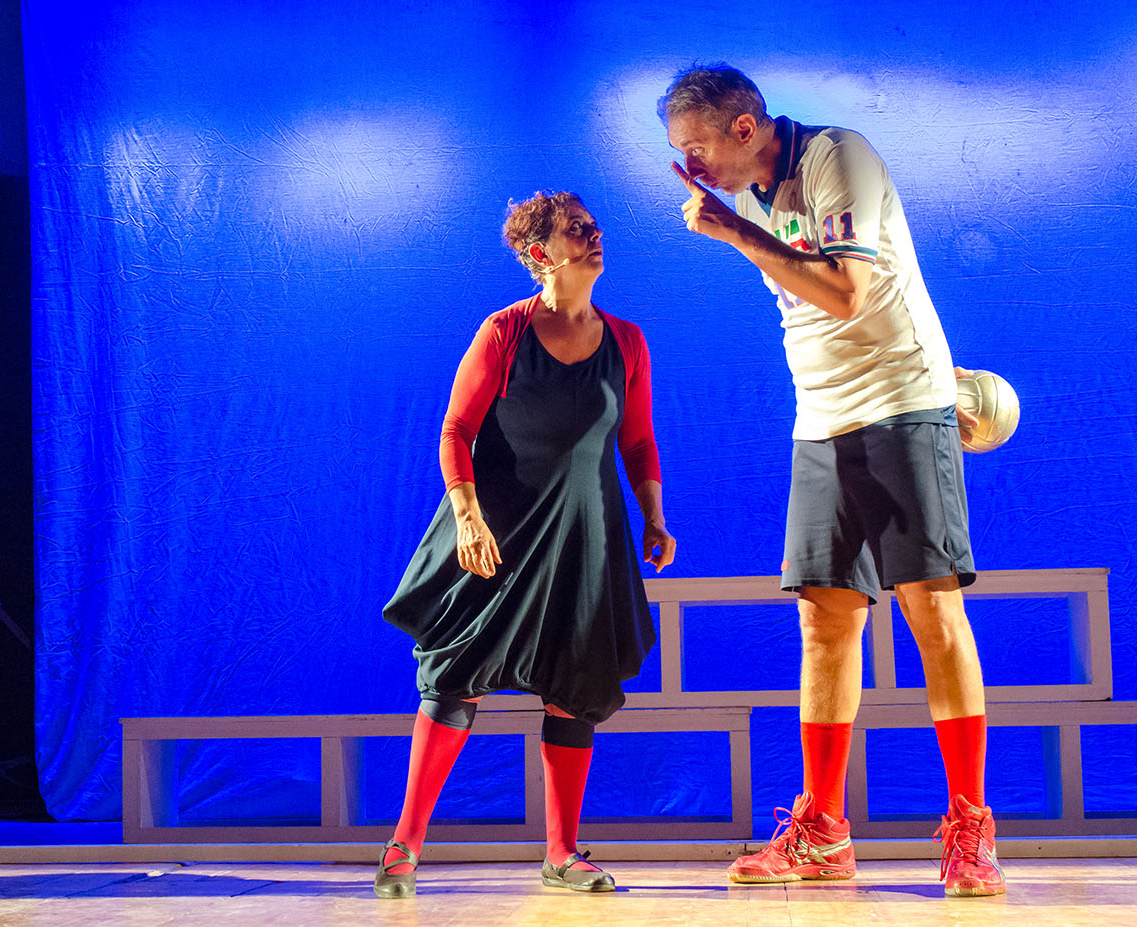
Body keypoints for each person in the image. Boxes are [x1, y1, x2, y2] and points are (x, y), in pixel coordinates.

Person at [656, 65, 1003, 897]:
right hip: (820, 421)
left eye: (697, 147)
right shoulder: (750, 197)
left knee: (931, 610)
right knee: (824, 621)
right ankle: (823, 831)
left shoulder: (837, 158)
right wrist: (739, 223)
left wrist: (734, 234)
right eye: (679, 151)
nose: (689, 166)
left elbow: (848, 293)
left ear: (745, 128)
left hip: (901, 402)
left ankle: (970, 828)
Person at [375, 191, 676, 898]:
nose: (595, 234)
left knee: (576, 684)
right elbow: (456, 430)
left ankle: (562, 853)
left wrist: (654, 517)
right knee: (453, 676)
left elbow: (637, 441)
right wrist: (468, 518)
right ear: (541, 253)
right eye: (578, 229)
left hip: (584, 536)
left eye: (593, 226)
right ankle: (403, 844)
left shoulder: (627, 341)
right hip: (499, 532)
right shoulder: (504, 332)